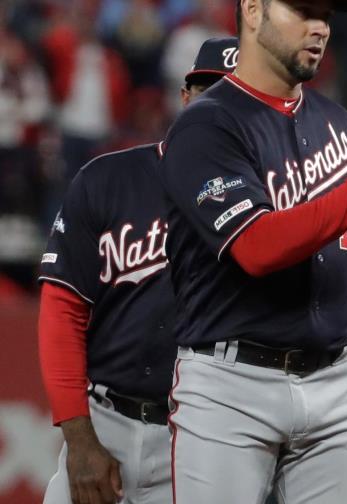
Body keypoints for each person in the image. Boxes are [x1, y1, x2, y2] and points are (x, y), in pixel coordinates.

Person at [157, 1, 347, 502]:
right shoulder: (205, 127)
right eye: (303, 10)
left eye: (326, 15)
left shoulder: (337, 122)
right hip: (231, 387)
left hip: (338, 381)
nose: (319, 27)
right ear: (253, 10)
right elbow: (257, 247)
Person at [38, 36, 239, 504]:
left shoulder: (273, 198)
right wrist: (79, 439)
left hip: (205, 434)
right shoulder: (108, 179)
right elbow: (61, 313)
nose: (219, 108)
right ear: (185, 97)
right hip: (106, 419)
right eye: (208, 91)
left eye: (236, 95)